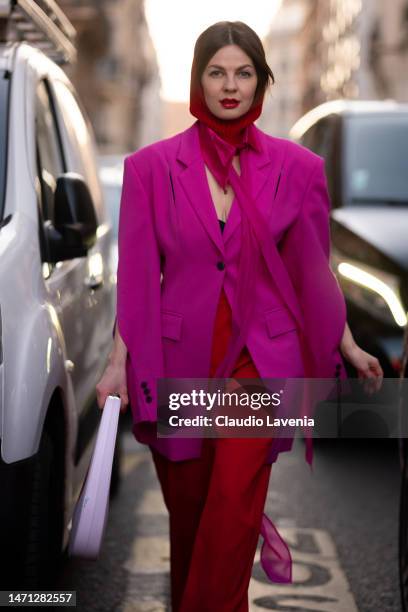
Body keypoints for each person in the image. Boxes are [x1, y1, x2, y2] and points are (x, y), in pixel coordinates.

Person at [96, 21, 383, 612]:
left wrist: (347, 343)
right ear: (198, 80)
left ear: (261, 80)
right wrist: (117, 362)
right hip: (180, 358)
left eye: (244, 73)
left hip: (259, 361)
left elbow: (313, 269)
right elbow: (139, 281)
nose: (231, 86)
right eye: (217, 72)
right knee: (194, 520)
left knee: (231, 510)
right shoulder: (150, 169)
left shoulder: (297, 169)